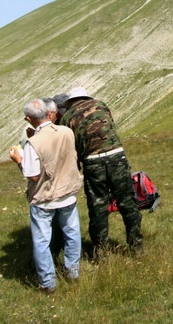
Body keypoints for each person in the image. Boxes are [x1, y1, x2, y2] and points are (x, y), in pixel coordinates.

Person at [56, 87, 143, 256]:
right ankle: (136, 247)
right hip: (116, 157)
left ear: (70, 102)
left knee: (98, 206)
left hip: (92, 162)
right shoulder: (101, 105)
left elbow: (73, 145)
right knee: (127, 202)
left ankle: (100, 252)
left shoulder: (67, 117)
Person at [9, 99, 83, 292]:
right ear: (49, 113)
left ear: (28, 118)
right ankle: (73, 272)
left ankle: (48, 283)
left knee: (42, 241)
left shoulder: (32, 143)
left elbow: (33, 176)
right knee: (72, 233)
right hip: (68, 193)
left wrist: (18, 160)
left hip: (45, 198)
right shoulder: (66, 132)